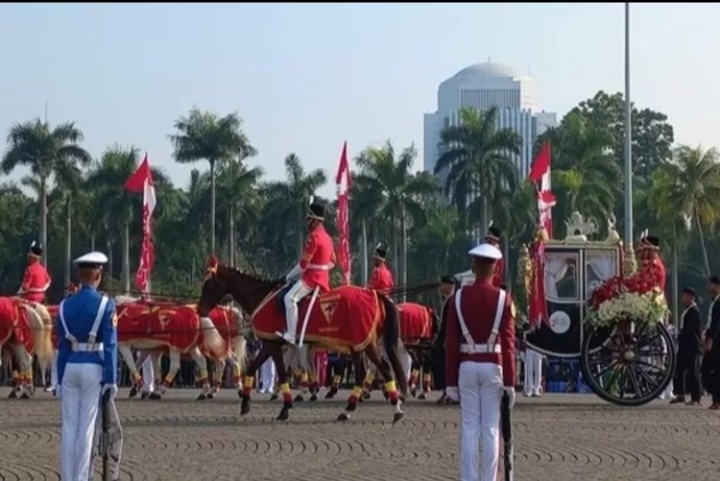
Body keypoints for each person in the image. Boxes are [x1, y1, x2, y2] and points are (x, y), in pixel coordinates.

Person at [445, 243, 516, 481]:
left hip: (466, 366)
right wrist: (510, 381)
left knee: (469, 427)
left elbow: (451, 343)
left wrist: (450, 383)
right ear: (495, 268)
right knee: (491, 429)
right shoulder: (503, 299)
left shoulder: (457, 298)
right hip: (492, 367)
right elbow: (508, 343)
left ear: (474, 266)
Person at [56, 251, 118, 481]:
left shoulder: (64, 306)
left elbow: (62, 346)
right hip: (93, 368)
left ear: (80, 276)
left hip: (70, 367)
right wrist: (111, 379)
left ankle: (67, 476)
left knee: (69, 427)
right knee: (87, 427)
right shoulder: (106, 304)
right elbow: (110, 344)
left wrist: (59, 379)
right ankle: (82, 477)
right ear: (98, 275)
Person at [281, 200, 336, 345]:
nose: (307, 223)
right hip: (323, 278)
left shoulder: (314, 237)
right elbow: (333, 261)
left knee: (289, 298)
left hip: (312, 279)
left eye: (309, 219)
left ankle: (291, 335)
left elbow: (303, 264)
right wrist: (322, 268)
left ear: (315, 220)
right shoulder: (328, 238)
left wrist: (288, 276)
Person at [671, 287, 703, 405]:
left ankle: (696, 397)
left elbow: (691, 330)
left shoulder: (694, 311)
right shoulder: (686, 311)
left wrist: (680, 334)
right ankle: (680, 394)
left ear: (691, 297)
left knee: (693, 372)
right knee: (679, 370)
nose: (683, 298)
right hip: (684, 345)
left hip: (692, 345)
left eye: (685, 296)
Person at [434, 275, 457, 404]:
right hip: (444, 339)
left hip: (448, 340)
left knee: (445, 365)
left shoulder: (452, 301)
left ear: (449, 286)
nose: (441, 287)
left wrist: (443, 340)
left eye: (443, 284)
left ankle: (448, 391)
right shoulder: (448, 300)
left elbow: (448, 324)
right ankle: (445, 391)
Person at [704, 276, 720, 410]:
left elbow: (715, 324)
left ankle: (717, 400)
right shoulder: (714, 301)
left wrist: (710, 339)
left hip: (717, 341)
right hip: (714, 339)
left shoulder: (719, 302)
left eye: (712, 285)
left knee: (715, 370)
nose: (710, 288)